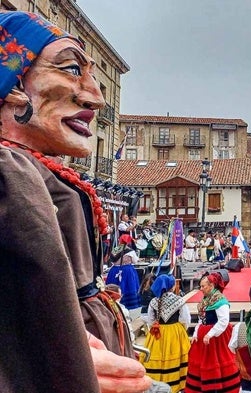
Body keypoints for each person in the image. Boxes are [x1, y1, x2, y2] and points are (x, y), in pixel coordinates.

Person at [0, 10, 151, 392]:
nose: (96, 97)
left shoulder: (33, 169)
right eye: (70, 69)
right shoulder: (9, 172)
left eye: (97, 79)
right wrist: (40, 362)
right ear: (12, 82)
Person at [185, 272, 241, 392]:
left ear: (211, 286)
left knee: (218, 362)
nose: (201, 289)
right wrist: (195, 334)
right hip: (204, 338)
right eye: (200, 286)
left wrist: (210, 334)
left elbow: (223, 321)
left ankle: (218, 387)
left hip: (217, 337)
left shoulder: (220, 300)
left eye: (203, 286)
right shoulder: (205, 299)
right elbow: (201, 319)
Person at [142, 275, 191, 393]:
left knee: (156, 357)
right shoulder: (179, 300)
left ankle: (156, 384)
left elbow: (150, 320)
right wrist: (182, 331)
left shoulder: (154, 302)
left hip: (157, 333)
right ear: (171, 286)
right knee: (175, 358)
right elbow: (185, 319)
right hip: (174, 332)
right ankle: (174, 384)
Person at [106, 234, 142, 310]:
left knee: (114, 287)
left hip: (114, 271)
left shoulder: (115, 249)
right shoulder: (130, 251)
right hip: (127, 271)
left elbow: (111, 260)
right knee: (129, 287)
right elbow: (135, 261)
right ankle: (129, 306)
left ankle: (114, 303)